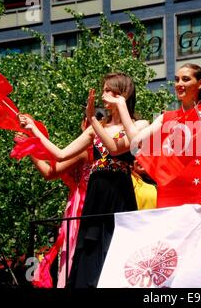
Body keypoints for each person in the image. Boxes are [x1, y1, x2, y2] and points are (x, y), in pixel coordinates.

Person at [19, 73, 148, 288]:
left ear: (122, 93)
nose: (103, 95)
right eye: (104, 90)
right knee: (90, 247)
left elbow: (116, 149)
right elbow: (60, 154)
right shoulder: (95, 127)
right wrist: (34, 132)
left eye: (109, 90)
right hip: (96, 192)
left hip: (119, 191)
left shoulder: (139, 124)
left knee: (119, 245)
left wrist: (95, 119)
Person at [107, 63, 201, 286]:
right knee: (168, 258)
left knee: (200, 262)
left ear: (200, 84)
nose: (179, 84)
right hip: (167, 194)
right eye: (177, 79)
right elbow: (135, 142)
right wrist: (122, 105)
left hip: (199, 195)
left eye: (186, 79)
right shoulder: (166, 117)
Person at [24, 108, 106, 288]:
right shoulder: (107, 150)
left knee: (73, 252)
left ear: (85, 124)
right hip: (102, 204)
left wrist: (29, 149)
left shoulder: (84, 150)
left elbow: (49, 172)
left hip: (81, 205)